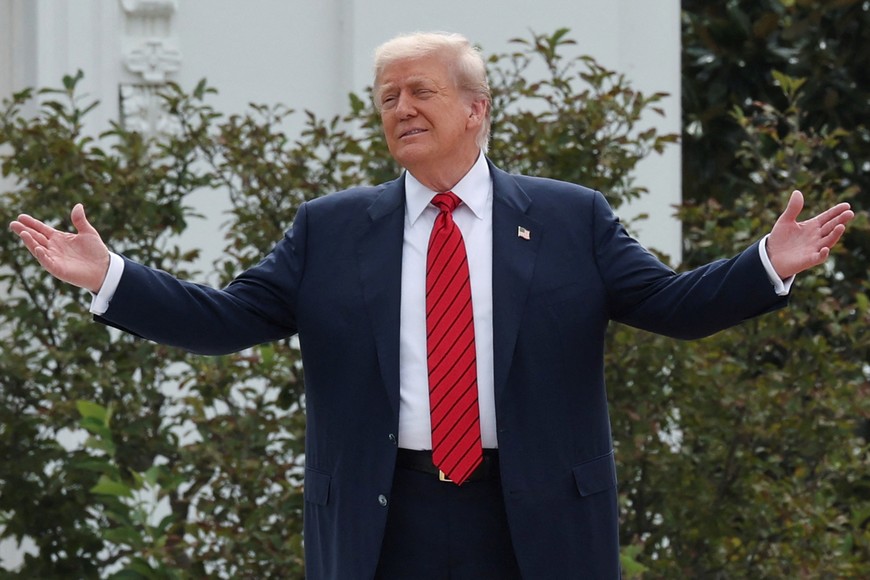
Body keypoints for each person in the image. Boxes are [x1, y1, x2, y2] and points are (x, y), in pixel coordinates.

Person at [10, 32, 854, 579]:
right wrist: (110, 276)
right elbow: (229, 318)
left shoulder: (569, 217)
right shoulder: (332, 229)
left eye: (420, 92)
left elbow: (670, 304)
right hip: (386, 518)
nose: (401, 109)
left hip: (532, 514)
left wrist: (763, 265)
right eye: (386, 98)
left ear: (477, 110)